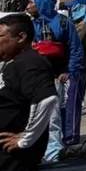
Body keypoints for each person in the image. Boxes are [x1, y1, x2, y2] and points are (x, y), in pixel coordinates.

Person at [26, 0, 82, 163]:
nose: (28, 6)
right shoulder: (30, 24)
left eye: (31, 3)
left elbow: (75, 50)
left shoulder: (64, 23)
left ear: (41, 4)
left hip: (55, 77)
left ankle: (53, 153)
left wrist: (68, 71)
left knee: (52, 116)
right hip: (33, 76)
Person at [0, 14, 58, 171]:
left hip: (14, 158)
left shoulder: (30, 63)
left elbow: (46, 99)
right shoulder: (12, 62)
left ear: (21, 37)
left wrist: (26, 138)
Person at [62, 0, 86, 146]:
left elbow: (74, 45)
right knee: (67, 102)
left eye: (73, 7)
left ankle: (72, 136)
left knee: (73, 103)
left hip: (79, 69)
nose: (70, 9)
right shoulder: (77, 23)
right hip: (75, 68)